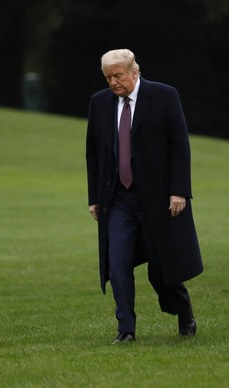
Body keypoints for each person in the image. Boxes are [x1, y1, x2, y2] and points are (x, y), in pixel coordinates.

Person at [86, 49, 203, 343]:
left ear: (134, 72)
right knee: (118, 262)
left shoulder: (164, 96)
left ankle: (183, 310)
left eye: (118, 75)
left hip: (158, 199)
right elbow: (93, 153)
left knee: (162, 267)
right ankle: (126, 329)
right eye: (108, 77)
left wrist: (179, 191)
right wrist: (94, 197)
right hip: (118, 198)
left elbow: (179, 145)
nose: (113, 82)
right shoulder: (99, 103)